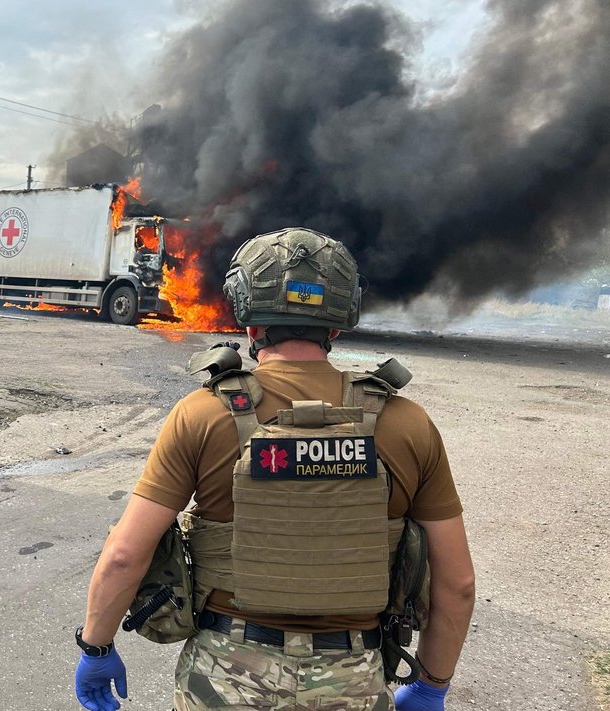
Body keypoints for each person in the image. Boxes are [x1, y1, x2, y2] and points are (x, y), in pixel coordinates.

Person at [73, 227, 475, 711]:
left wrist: (96, 647)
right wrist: (432, 685)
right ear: (338, 322)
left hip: (224, 676)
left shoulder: (202, 415)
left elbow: (124, 556)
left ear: (248, 320)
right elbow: (457, 583)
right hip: (354, 677)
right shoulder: (407, 424)